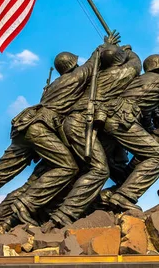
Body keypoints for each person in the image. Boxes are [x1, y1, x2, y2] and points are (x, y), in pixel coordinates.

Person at [0, 34, 119, 237]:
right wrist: (106, 45)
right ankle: (26, 204)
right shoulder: (74, 78)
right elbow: (93, 64)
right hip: (40, 128)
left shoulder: (53, 86)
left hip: (25, 126)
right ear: (73, 64)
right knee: (68, 167)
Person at [42, 44, 142, 231]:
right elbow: (136, 64)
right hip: (81, 124)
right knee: (100, 170)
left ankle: (74, 207)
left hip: (73, 124)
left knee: (94, 168)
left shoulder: (90, 79)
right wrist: (128, 51)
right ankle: (63, 215)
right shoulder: (118, 74)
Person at [98, 54, 159, 211]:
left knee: (104, 164)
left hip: (108, 118)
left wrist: (151, 131)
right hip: (122, 120)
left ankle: (101, 198)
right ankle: (124, 196)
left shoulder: (138, 81)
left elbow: (146, 115)